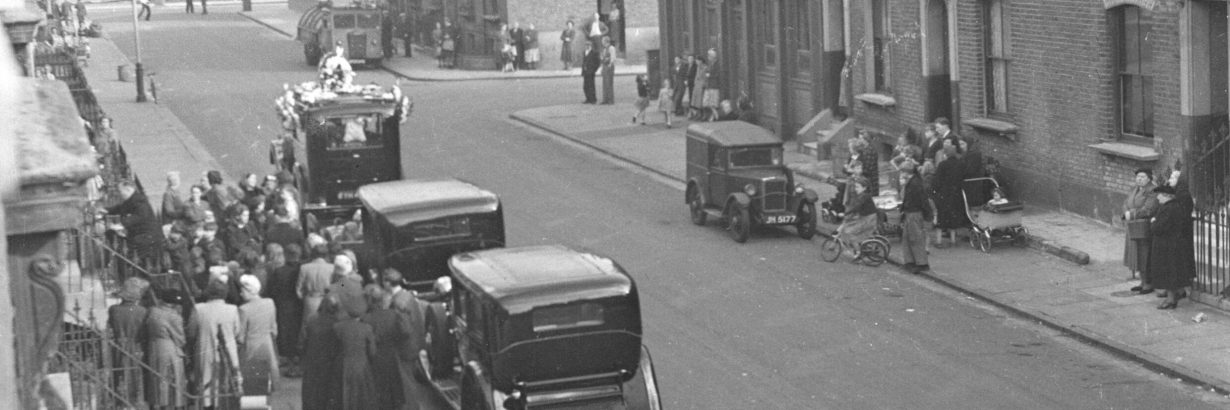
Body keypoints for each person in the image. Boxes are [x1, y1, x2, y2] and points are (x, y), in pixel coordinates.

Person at [187, 278, 242, 407]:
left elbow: (191, 333)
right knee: (227, 386)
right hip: (227, 352)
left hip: (205, 351)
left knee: (206, 386)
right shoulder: (232, 309)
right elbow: (237, 332)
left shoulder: (198, 309)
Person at [361, 287, 411, 410]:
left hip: (374, 359)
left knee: (378, 391)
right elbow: (405, 332)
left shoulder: (365, 318)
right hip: (391, 355)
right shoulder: (393, 314)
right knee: (394, 388)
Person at [1147, 184, 1194, 309]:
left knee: (1168, 272)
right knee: (1174, 271)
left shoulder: (1168, 208)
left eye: (1160, 195)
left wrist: (1153, 222)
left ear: (1167, 196)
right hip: (1174, 244)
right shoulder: (1176, 206)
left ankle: (1171, 300)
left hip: (1166, 245)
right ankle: (1179, 292)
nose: (1158, 198)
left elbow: (1158, 227)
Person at [108, 277, 149, 406]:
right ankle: (135, 401)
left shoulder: (114, 310)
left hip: (119, 345)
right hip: (137, 346)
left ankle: (121, 402)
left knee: (120, 374)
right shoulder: (142, 311)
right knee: (136, 376)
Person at [106, 180, 165, 268]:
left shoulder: (139, 201)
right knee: (125, 256)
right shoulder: (132, 200)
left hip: (146, 238)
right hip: (141, 237)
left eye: (120, 191)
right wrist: (106, 210)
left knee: (126, 258)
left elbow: (140, 216)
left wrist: (121, 224)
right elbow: (120, 208)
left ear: (128, 189)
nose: (119, 194)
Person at [334, 292, 378, 410]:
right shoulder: (367, 328)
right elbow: (372, 351)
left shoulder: (338, 327)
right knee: (363, 395)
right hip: (362, 365)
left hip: (343, 365)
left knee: (344, 394)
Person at [145, 289, 187, 410]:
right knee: (174, 380)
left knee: (158, 380)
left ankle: (158, 404)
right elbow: (181, 340)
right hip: (170, 348)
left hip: (154, 347)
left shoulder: (152, 311)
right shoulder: (174, 317)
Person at [238, 275, 279, 395]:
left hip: (251, 346)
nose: (240, 294)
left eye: (242, 291)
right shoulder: (270, 302)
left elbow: (240, 337)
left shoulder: (243, 309)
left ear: (249, 290)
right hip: (267, 343)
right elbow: (274, 328)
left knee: (253, 381)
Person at [300, 295, 342, 410]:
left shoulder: (311, 319)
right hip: (329, 362)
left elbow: (303, 341)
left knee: (311, 391)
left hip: (312, 360)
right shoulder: (337, 322)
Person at [268, 243, 303, 376]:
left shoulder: (279, 271)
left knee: (287, 334)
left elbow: (272, 290)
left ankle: (290, 361)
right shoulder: (303, 268)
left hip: (284, 305)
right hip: (302, 304)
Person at [1122, 168, 1159, 292]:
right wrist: (1126, 212)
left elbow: (1149, 208)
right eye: (1138, 176)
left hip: (1144, 226)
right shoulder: (1134, 189)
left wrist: (1131, 214)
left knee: (1145, 254)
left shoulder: (1152, 190)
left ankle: (1148, 283)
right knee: (1136, 253)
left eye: (1143, 177)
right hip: (1133, 226)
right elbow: (1126, 203)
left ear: (1149, 178)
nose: (1139, 179)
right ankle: (1142, 281)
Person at [931, 139, 968, 247]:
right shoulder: (961, 164)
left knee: (941, 218)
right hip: (956, 194)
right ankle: (953, 240)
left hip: (943, 194)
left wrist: (933, 191)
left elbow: (936, 181)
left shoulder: (942, 165)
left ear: (945, 155)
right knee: (953, 217)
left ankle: (939, 241)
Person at [898, 161, 931, 273]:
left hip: (914, 214)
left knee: (915, 238)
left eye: (902, 171)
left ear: (906, 172)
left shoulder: (914, 184)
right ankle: (910, 262)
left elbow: (922, 200)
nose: (901, 174)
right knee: (907, 238)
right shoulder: (913, 182)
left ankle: (921, 263)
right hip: (910, 213)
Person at [837, 177, 879, 260]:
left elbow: (856, 207)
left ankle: (858, 252)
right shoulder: (863, 195)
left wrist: (845, 214)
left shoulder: (863, 196)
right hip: (867, 218)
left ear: (864, 188)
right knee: (851, 227)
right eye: (855, 187)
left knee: (851, 233)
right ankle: (859, 247)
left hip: (868, 219)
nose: (855, 189)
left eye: (857, 187)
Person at [297, 244, 334, 324]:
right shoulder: (332, 268)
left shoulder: (304, 268)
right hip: (328, 300)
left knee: (309, 326)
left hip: (311, 300)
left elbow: (298, 290)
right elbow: (341, 284)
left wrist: (304, 297)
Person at [600, 36, 616, 104]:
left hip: (609, 67)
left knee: (609, 83)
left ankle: (610, 100)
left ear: (606, 41)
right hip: (605, 66)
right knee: (604, 83)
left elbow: (613, 57)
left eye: (603, 41)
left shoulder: (611, 48)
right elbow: (603, 58)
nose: (602, 42)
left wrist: (610, 64)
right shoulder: (604, 49)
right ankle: (605, 99)